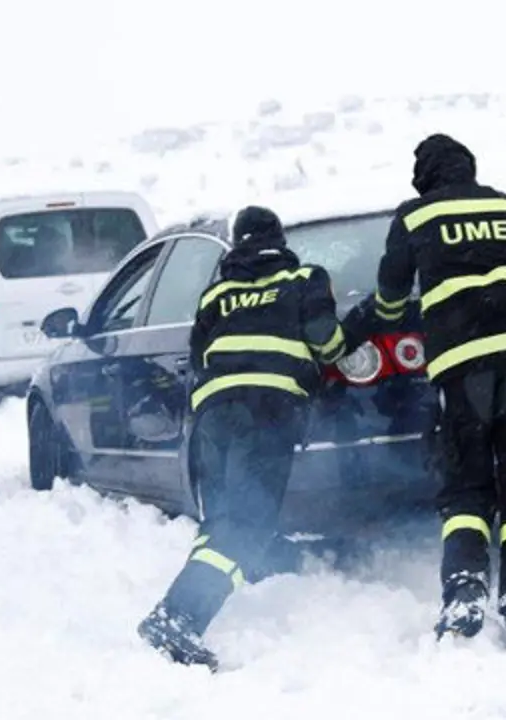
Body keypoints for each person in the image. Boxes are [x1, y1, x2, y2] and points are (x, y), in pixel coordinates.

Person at [356, 133, 506, 650]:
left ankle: (465, 592)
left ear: (424, 176)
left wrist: (380, 319)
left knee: (467, 485)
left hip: (464, 362)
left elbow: (390, 294)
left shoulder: (414, 216)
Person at [136, 205, 355, 670]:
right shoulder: (304, 279)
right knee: (248, 521)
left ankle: (247, 572)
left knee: (222, 517)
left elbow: (198, 356)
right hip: (267, 410)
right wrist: (339, 355)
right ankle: (176, 617)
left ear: (238, 244)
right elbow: (325, 338)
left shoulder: (218, 292)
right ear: (279, 239)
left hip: (213, 416)